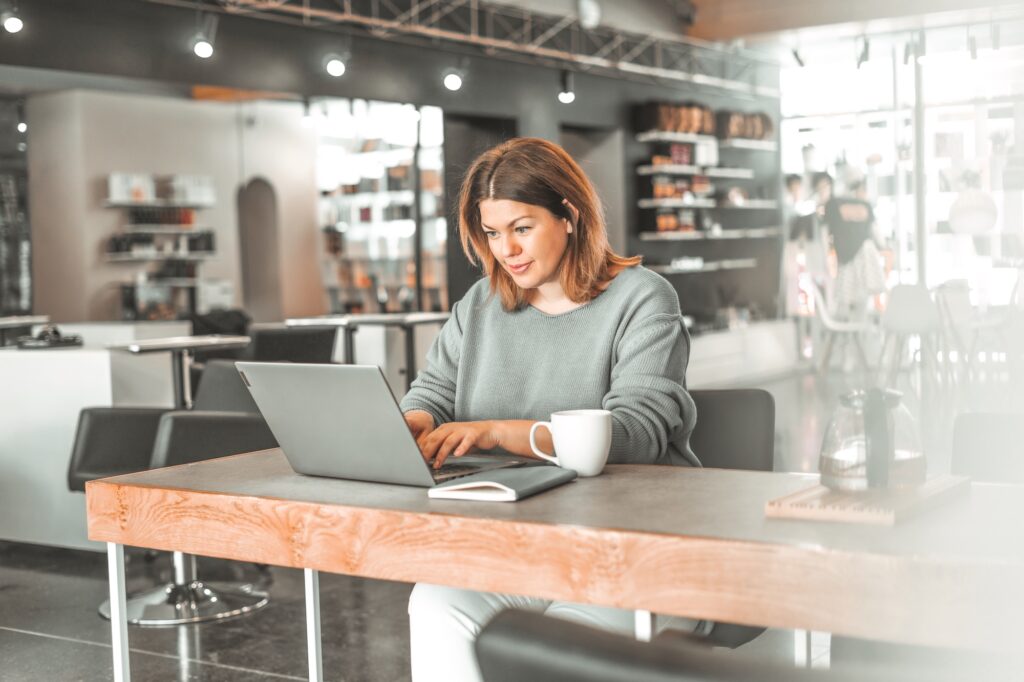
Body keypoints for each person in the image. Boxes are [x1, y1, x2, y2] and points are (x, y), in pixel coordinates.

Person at [399, 137, 700, 681]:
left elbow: (637, 434)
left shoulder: (643, 299)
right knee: (435, 604)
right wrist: (413, 420)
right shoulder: (481, 305)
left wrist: (496, 432)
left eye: (521, 228)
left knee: (565, 640)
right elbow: (435, 392)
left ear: (569, 215)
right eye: (492, 233)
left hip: (628, 545)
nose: (505, 250)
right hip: (519, 542)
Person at [823, 179, 886, 322]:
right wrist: (884, 246)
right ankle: (860, 333)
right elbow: (877, 234)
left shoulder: (833, 204)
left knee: (845, 299)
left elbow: (825, 233)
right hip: (866, 254)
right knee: (863, 300)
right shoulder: (865, 205)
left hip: (846, 256)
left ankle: (849, 335)